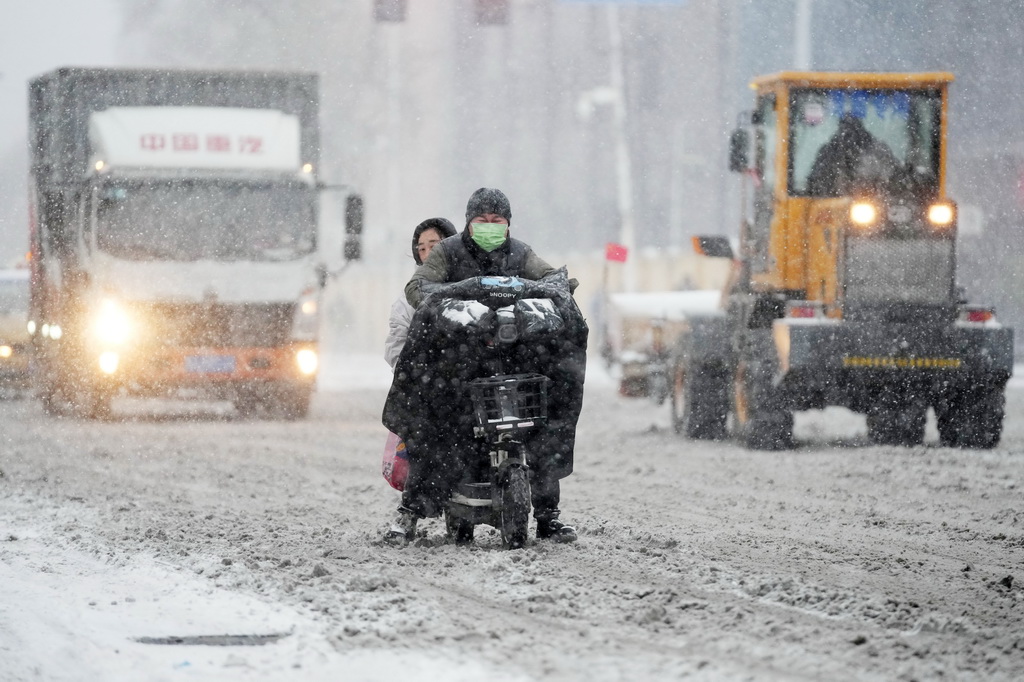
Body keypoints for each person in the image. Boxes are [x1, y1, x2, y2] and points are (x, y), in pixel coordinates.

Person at [385, 187, 584, 546]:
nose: (490, 226)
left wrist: (549, 289)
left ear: (508, 224)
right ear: (468, 223)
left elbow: (552, 277)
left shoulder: (521, 253)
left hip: (512, 360)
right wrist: (461, 293)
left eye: (497, 221)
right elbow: (418, 287)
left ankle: (548, 516)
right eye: (482, 220)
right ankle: (409, 513)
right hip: (456, 364)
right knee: (433, 425)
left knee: (542, 424)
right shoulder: (448, 253)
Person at [384, 217, 457, 370]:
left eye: (434, 246)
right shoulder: (405, 303)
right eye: (422, 249)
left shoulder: (472, 284)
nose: (428, 254)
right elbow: (396, 350)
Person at [806, 114, 900, 196]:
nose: (850, 136)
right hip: (869, 200)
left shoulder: (828, 152)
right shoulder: (879, 151)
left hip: (868, 201)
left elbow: (815, 180)